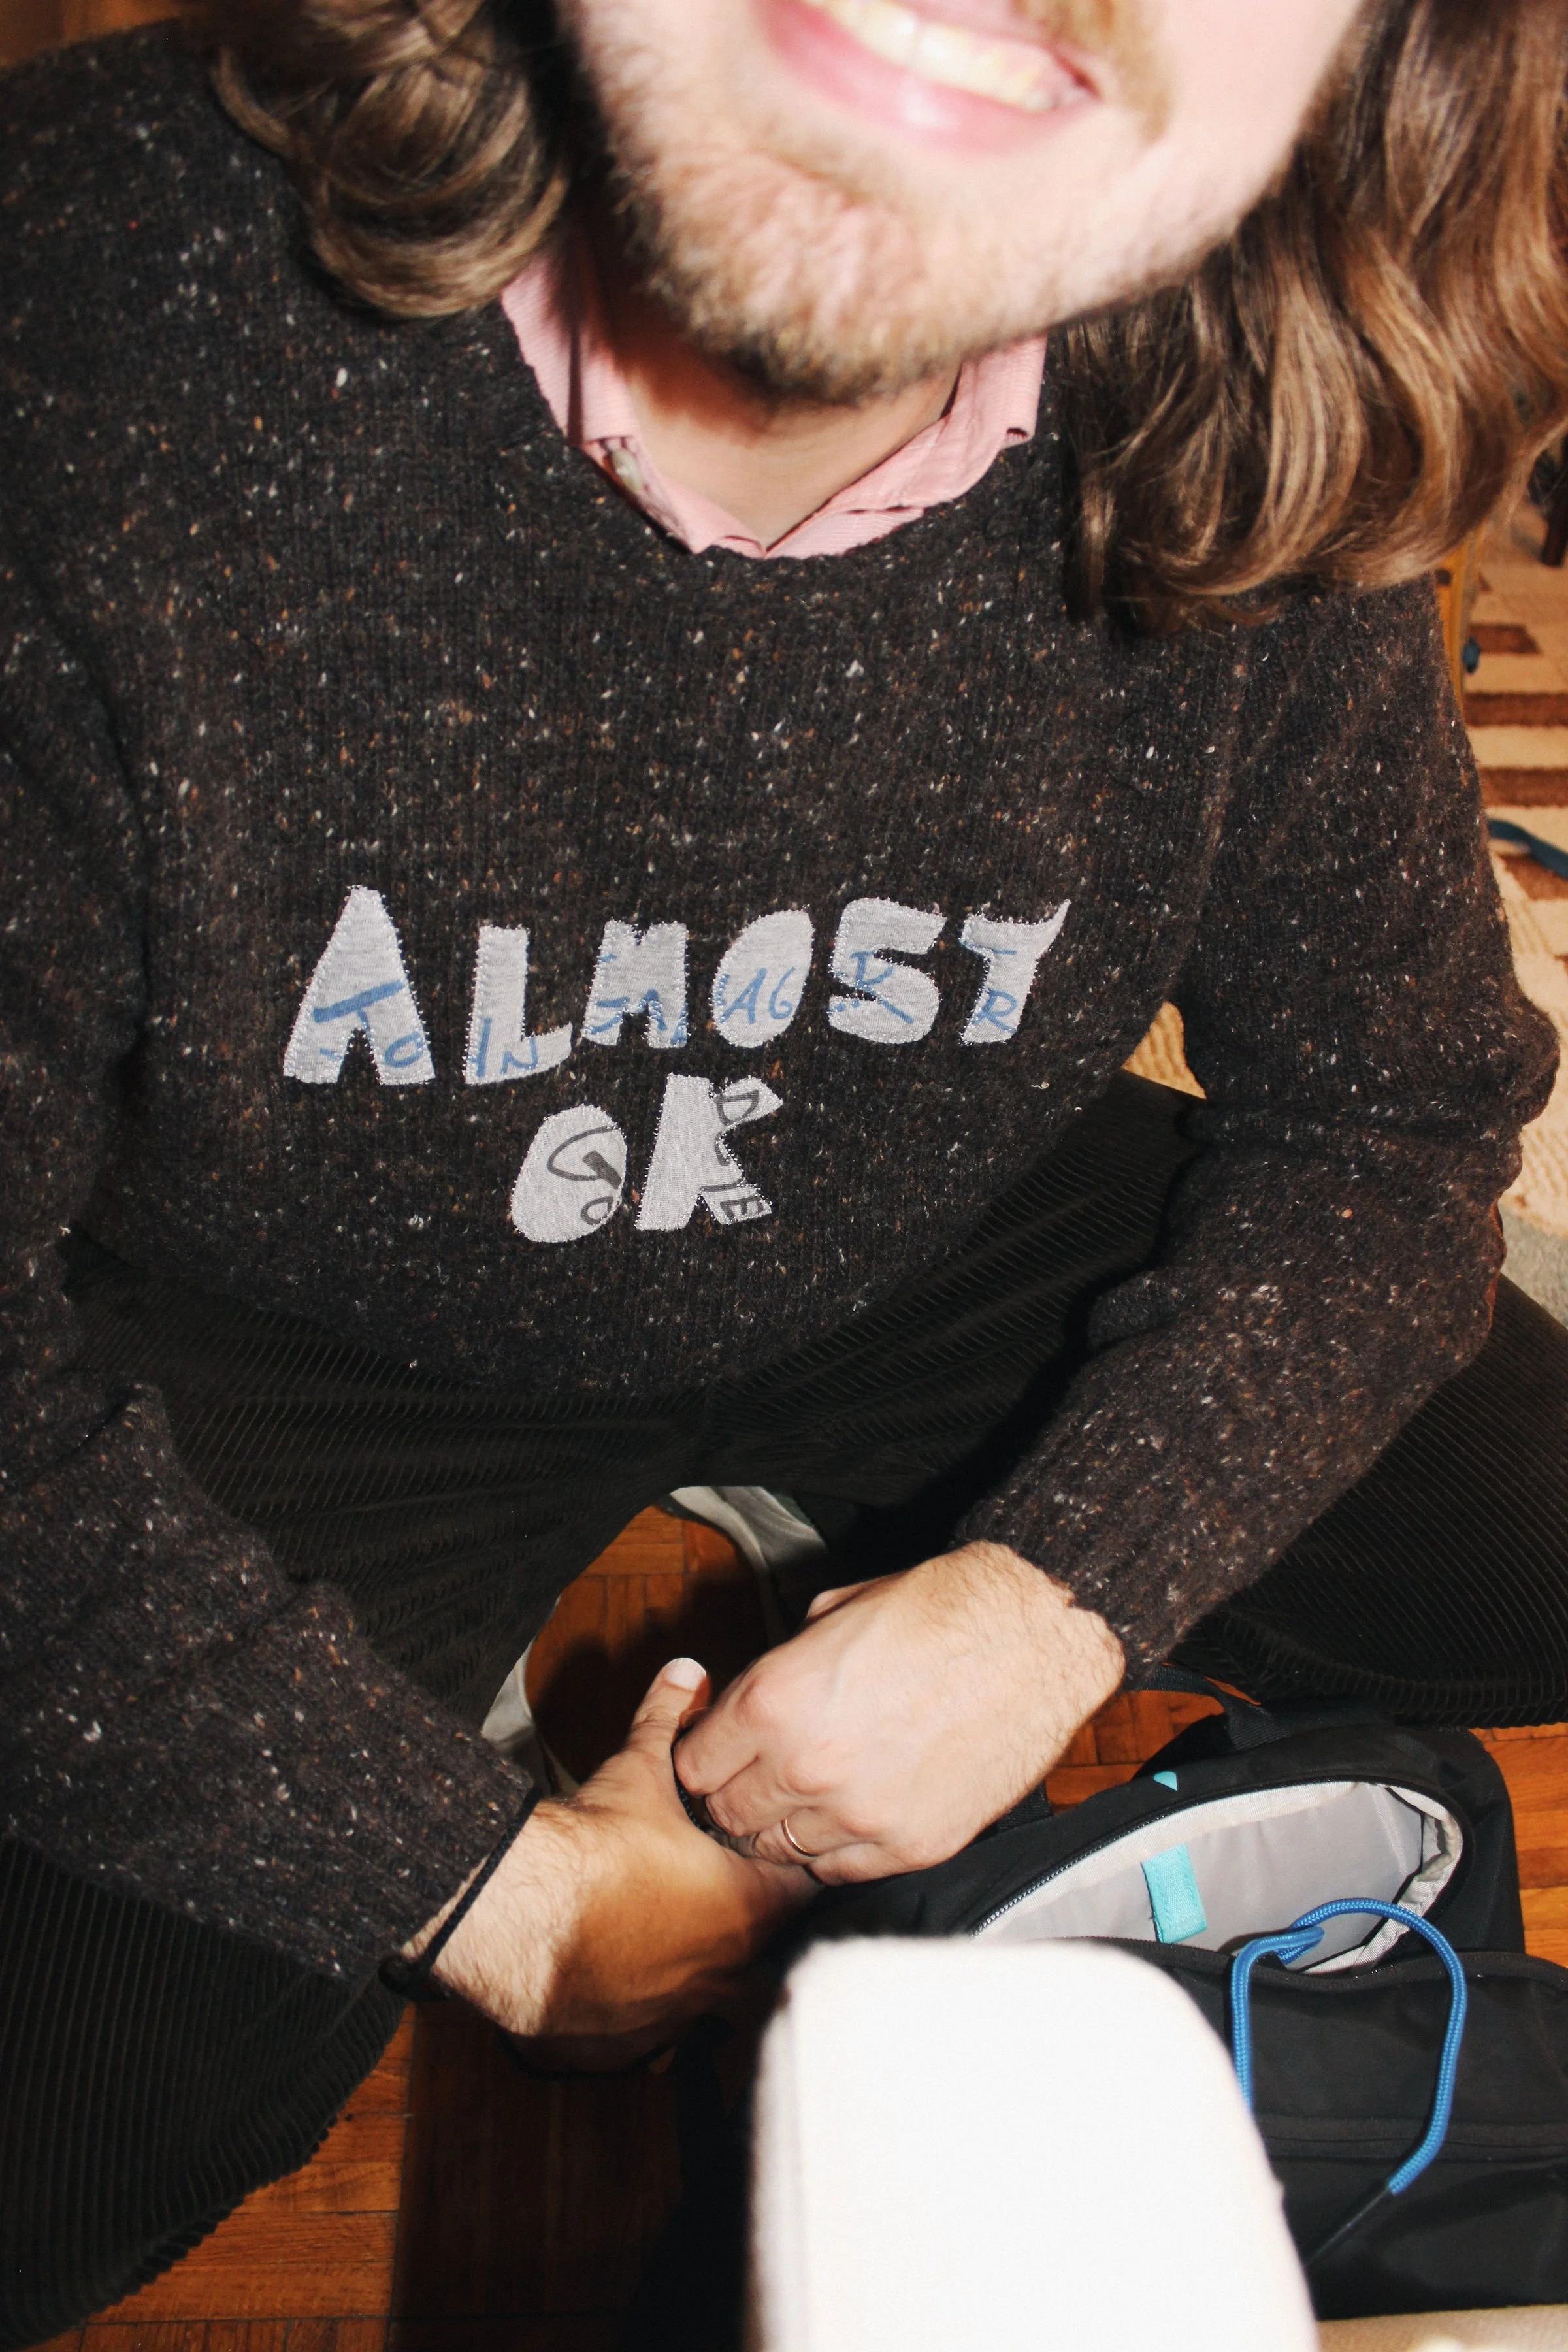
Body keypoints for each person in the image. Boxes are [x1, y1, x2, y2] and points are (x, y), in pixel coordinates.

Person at [3, 0, 1567, 2335]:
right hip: (288, 1315)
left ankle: (789, 1495)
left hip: (936, 1215)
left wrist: (1055, 1590)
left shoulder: (1264, 328)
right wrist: (489, 1891)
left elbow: (1397, 1106)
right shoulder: (78, 303)